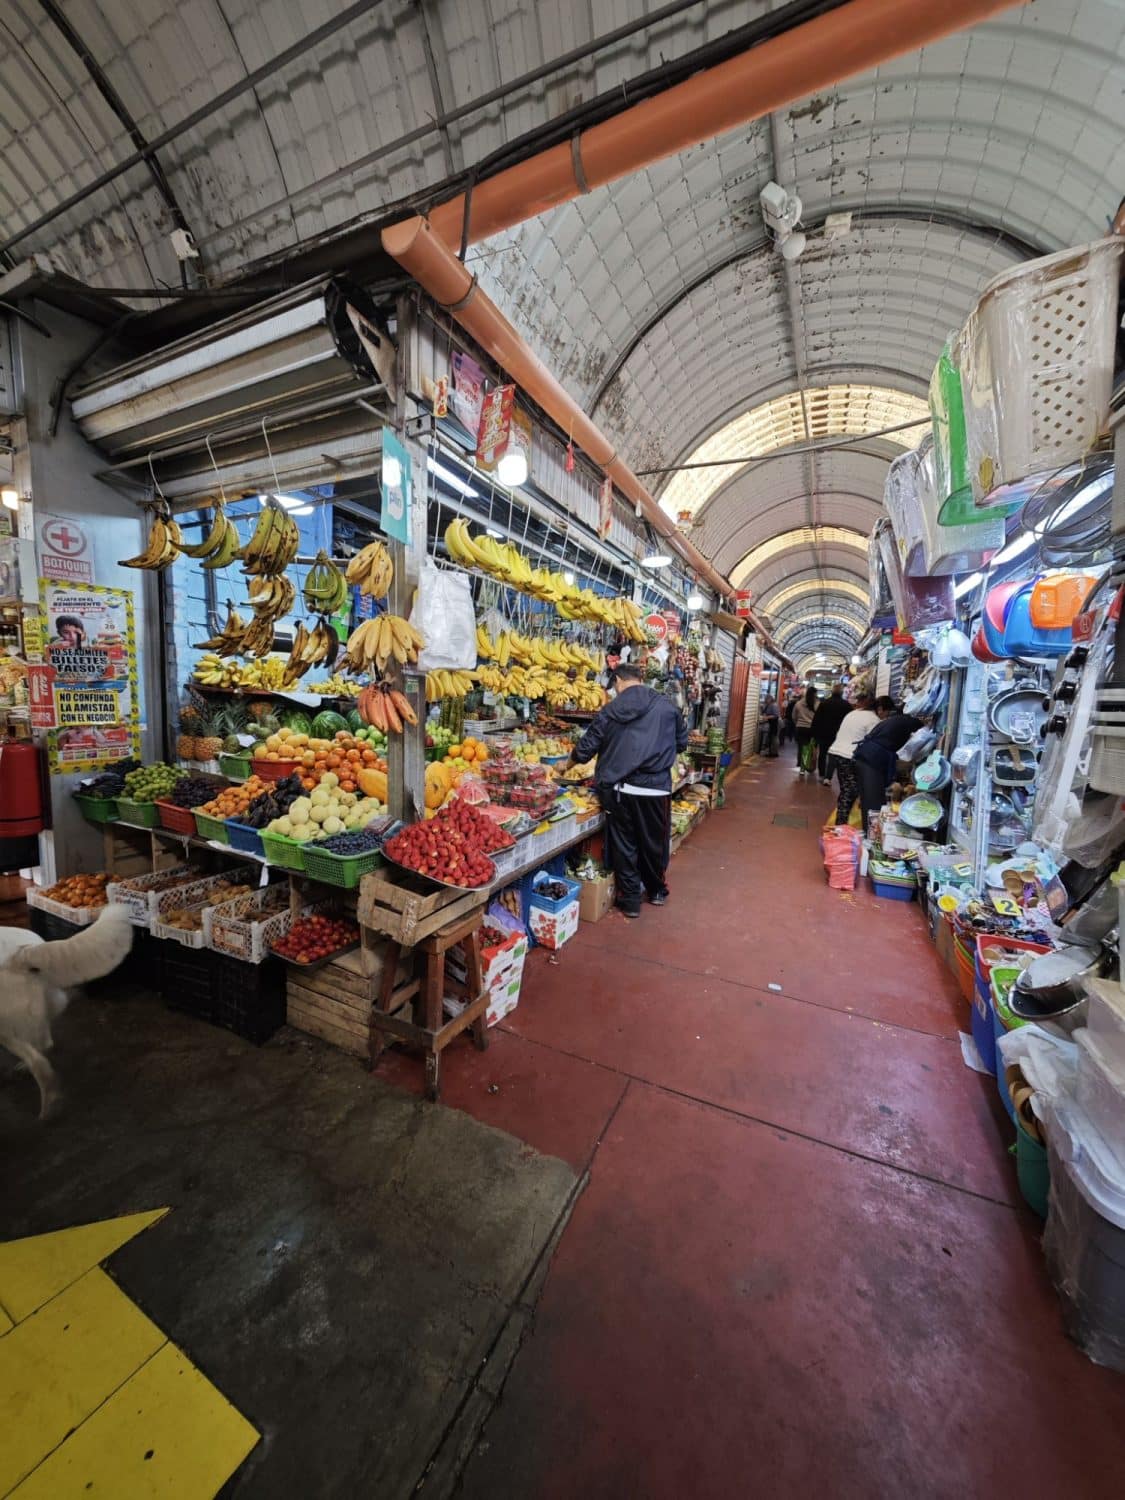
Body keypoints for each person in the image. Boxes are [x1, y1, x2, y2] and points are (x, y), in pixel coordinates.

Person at [567, 662, 688, 918]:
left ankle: (631, 901)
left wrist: (567, 765)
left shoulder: (610, 711)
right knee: (654, 843)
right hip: (655, 789)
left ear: (619, 681)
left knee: (625, 845)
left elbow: (586, 748)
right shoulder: (667, 707)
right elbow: (682, 743)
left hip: (619, 790)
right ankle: (656, 891)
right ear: (640, 679)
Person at [852, 696, 924, 833]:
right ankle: (873, 836)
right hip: (872, 760)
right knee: (874, 802)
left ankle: (869, 834)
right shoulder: (912, 724)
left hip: (863, 756)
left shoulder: (894, 720)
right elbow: (915, 749)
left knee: (868, 799)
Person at [828, 693, 883, 827]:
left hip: (837, 753)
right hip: (849, 756)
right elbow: (873, 742)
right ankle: (841, 825)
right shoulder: (873, 719)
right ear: (880, 709)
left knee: (847, 789)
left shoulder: (853, 713)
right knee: (851, 790)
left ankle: (841, 823)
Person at [810, 682, 852, 785]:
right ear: (842, 693)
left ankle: (821, 774)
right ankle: (828, 777)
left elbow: (817, 719)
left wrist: (814, 733)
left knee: (823, 754)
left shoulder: (824, 703)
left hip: (824, 733)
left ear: (832, 692)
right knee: (833, 755)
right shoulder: (846, 705)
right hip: (839, 734)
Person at [792, 685, 818, 777]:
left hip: (801, 728)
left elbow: (794, 717)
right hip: (813, 729)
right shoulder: (817, 704)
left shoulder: (798, 703)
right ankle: (810, 766)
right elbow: (819, 718)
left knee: (802, 748)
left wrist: (798, 723)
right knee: (811, 748)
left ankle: (802, 768)